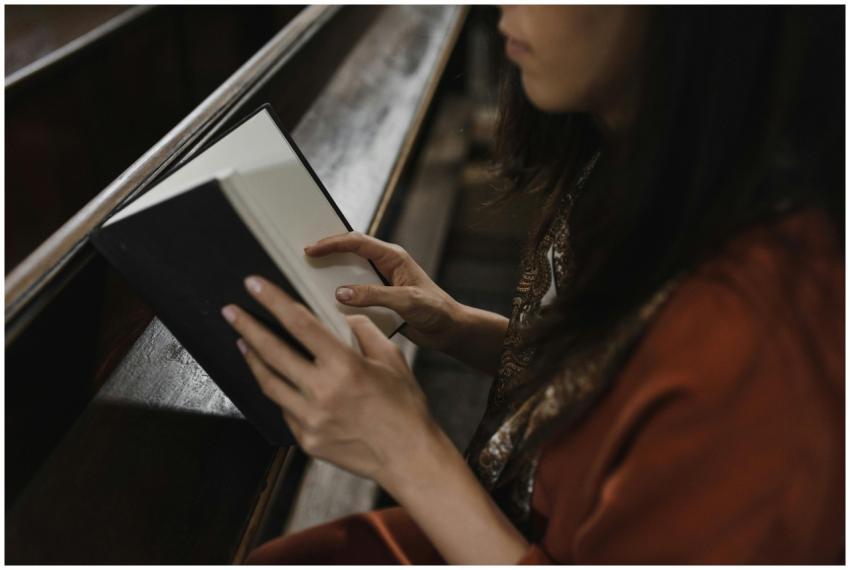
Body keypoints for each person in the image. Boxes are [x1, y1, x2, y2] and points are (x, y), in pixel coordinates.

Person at [223, 5, 843, 564]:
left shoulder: (765, 338)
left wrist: (406, 453)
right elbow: (613, 373)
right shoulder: (632, 153)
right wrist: (457, 325)